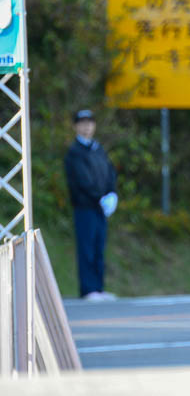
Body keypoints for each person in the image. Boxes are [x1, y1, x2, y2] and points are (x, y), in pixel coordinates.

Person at [64, 109, 118, 301]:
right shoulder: (75, 152)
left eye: (90, 123)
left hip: (100, 208)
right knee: (86, 247)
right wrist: (98, 197)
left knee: (98, 247)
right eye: (82, 123)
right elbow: (82, 180)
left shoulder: (98, 148)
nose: (87, 127)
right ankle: (88, 289)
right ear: (76, 126)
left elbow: (110, 172)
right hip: (85, 206)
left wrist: (112, 193)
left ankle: (98, 287)